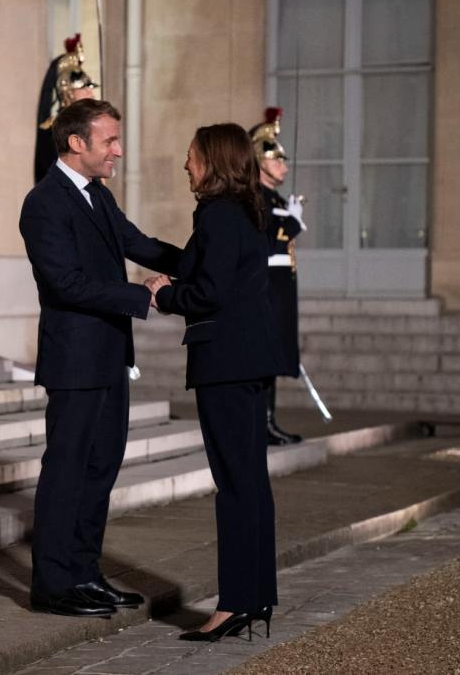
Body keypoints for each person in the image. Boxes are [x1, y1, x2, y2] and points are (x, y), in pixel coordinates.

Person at [19, 99, 181, 618]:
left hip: (110, 356)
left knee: (101, 469)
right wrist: (143, 296)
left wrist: (206, 261)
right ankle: (51, 584)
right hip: (75, 361)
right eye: (109, 140)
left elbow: (139, 244)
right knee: (67, 470)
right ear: (77, 143)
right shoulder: (44, 203)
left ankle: (85, 574)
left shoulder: (98, 195)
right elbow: (66, 285)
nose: (118, 149)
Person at [145, 123, 280, 642]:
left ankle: (235, 604)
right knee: (250, 483)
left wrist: (164, 297)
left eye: (192, 155)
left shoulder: (218, 214)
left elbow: (210, 292)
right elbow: (202, 268)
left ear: (214, 160)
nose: (185, 164)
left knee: (234, 485)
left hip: (225, 360)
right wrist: (163, 267)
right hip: (246, 358)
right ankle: (255, 596)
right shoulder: (243, 210)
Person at [249, 108, 305, 445]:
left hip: (281, 287)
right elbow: (272, 236)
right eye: (276, 157)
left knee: (274, 357)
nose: (283, 164)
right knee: (265, 356)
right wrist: (293, 223)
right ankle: (261, 423)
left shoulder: (274, 197)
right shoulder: (256, 197)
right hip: (267, 285)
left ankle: (269, 420)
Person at [33, 34, 98, 183]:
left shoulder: (89, 127)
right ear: (68, 92)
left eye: (90, 88)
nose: (91, 94)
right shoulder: (52, 130)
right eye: (84, 88)